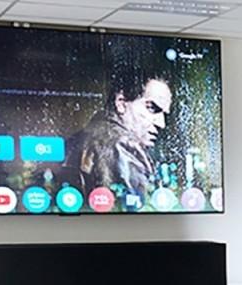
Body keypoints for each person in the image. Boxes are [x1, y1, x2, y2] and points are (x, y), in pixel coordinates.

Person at [65, 65, 171, 199]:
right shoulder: (121, 145)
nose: (161, 124)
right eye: (151, 108)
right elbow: (137, 207)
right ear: (121, 103)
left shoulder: (93, 133)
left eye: (164, 114)